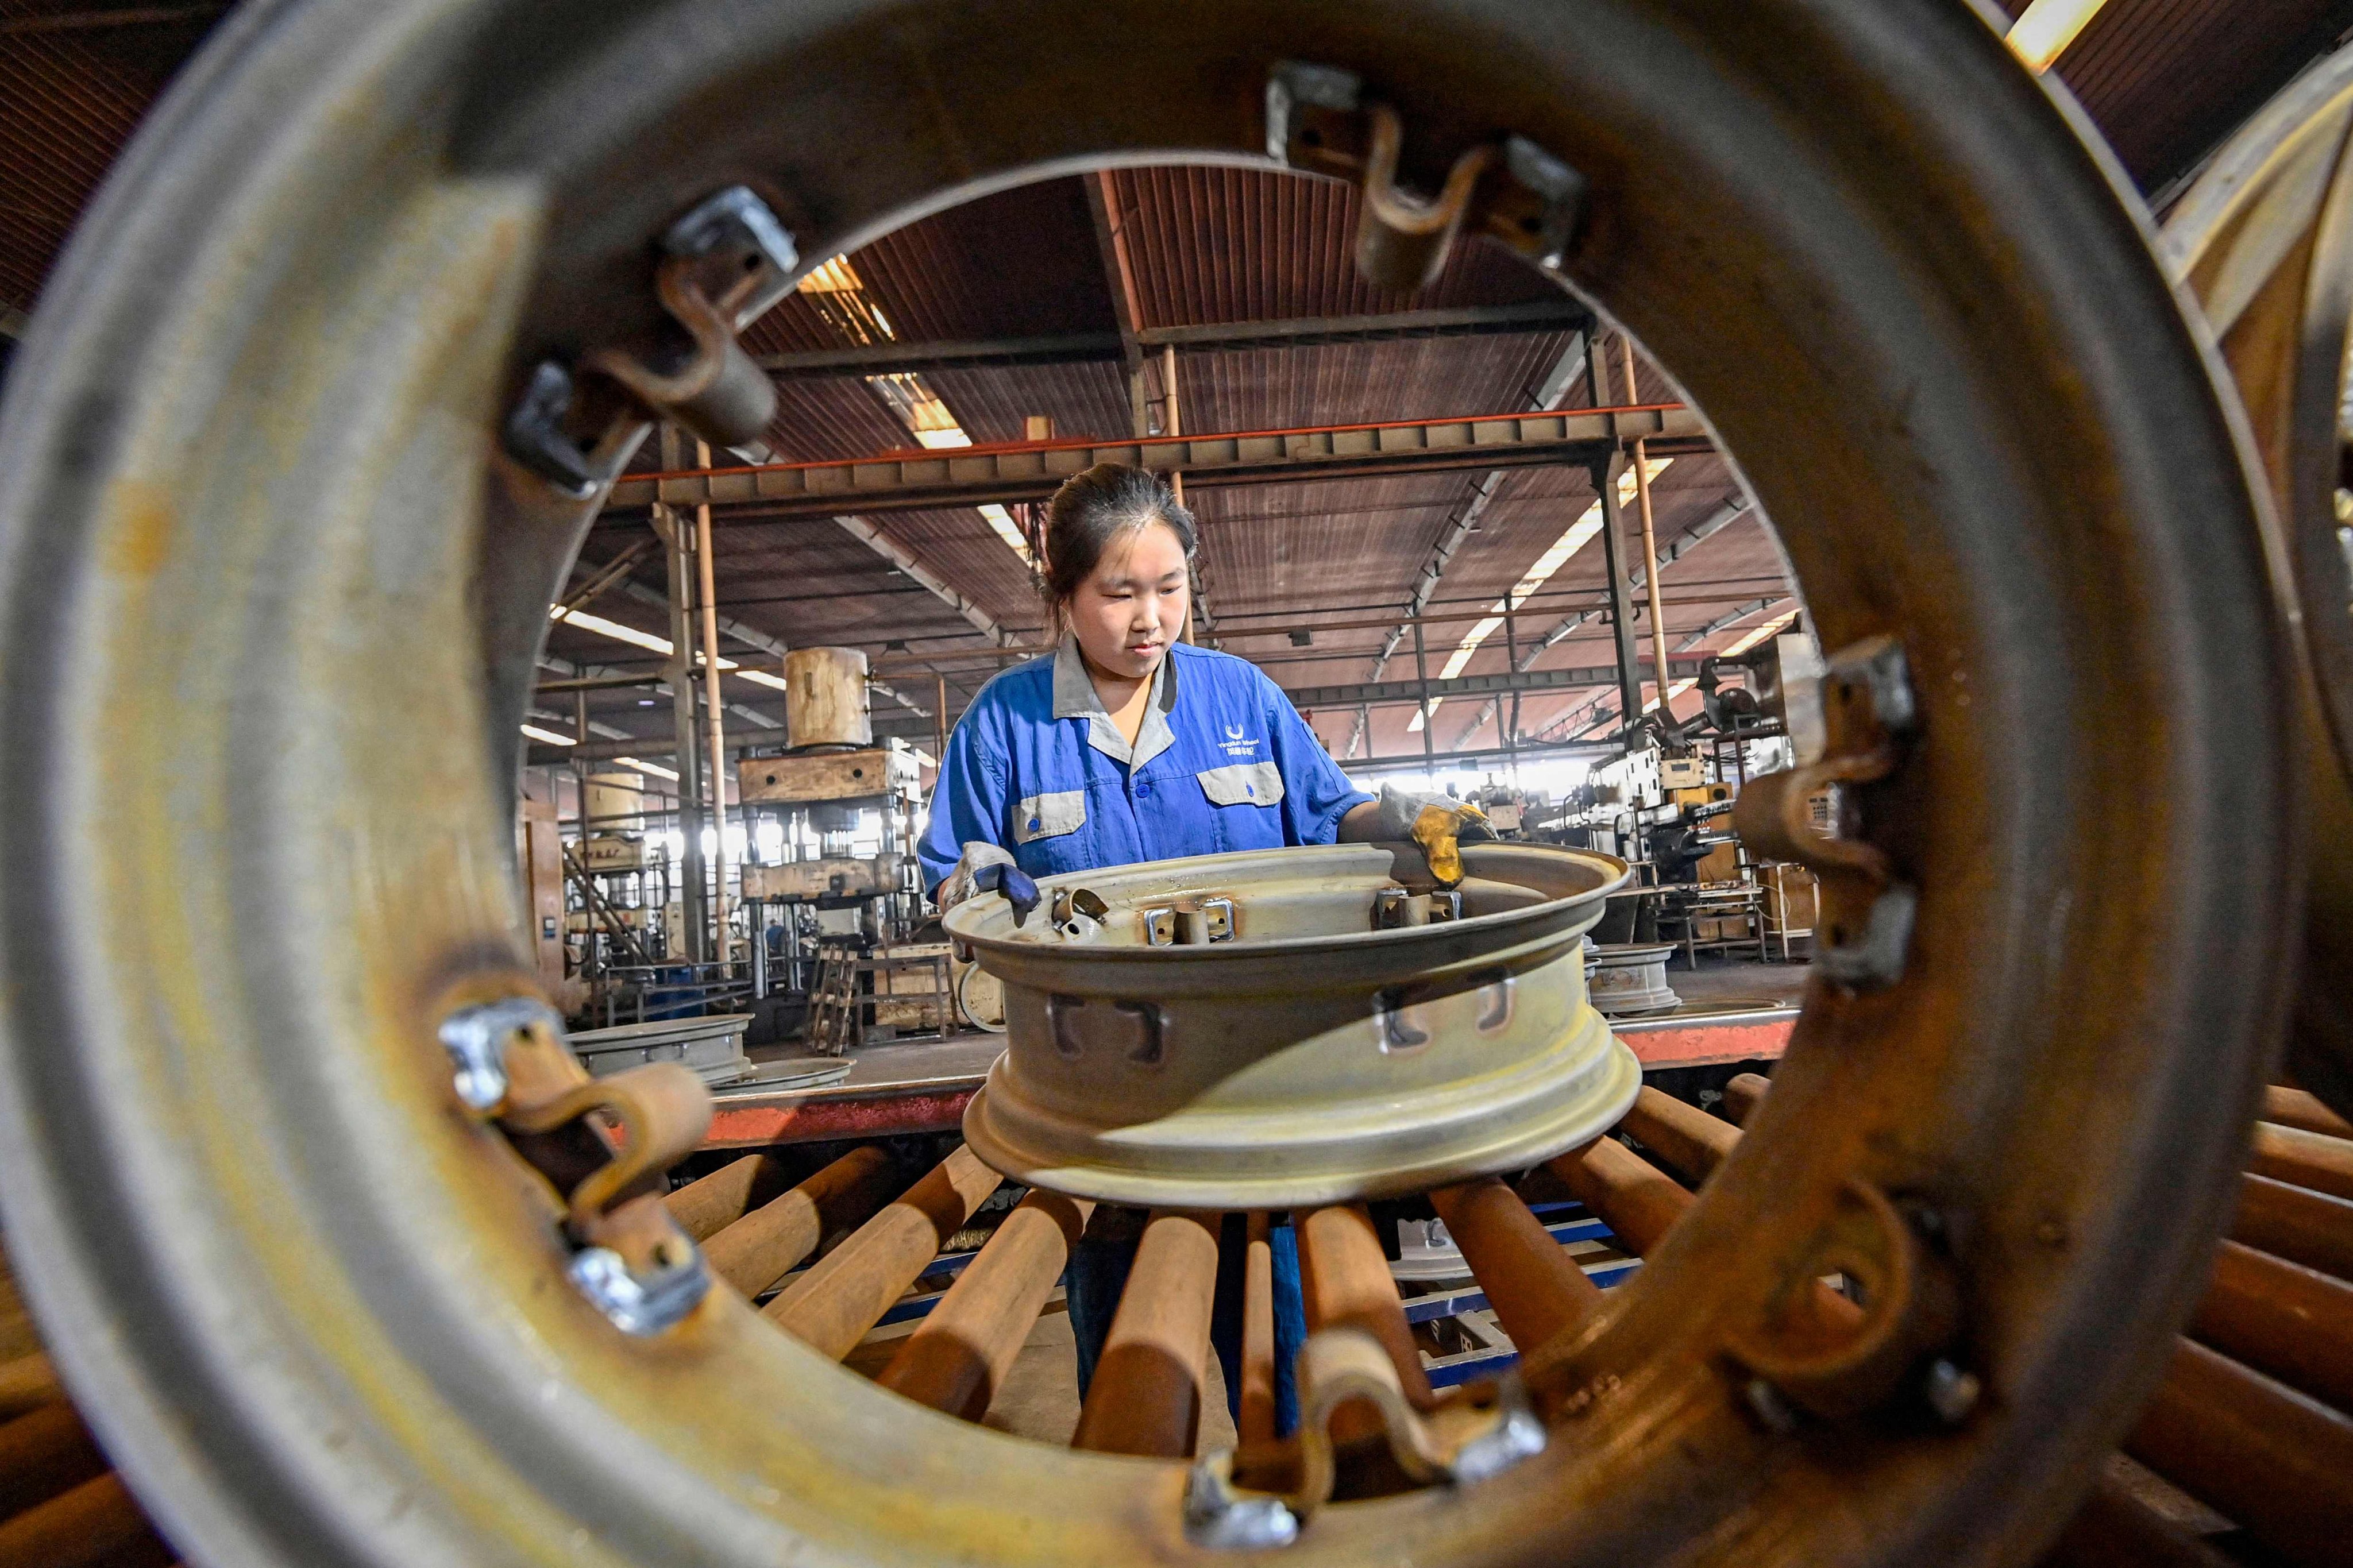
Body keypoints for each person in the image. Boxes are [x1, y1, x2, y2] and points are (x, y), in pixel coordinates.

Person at [916, 462, 1491, 1435]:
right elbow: (951, 875)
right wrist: (973, 883)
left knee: (1305, 1386)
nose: (1151, 618)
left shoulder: (1242, 699)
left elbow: (1329, 813)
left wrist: (1403, 816)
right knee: (1141, 1407)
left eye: (1170, 587)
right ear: (1062, 594)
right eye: (1119, 593)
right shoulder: (1001, 729)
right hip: (1110, 1114)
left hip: (1268, 1094)